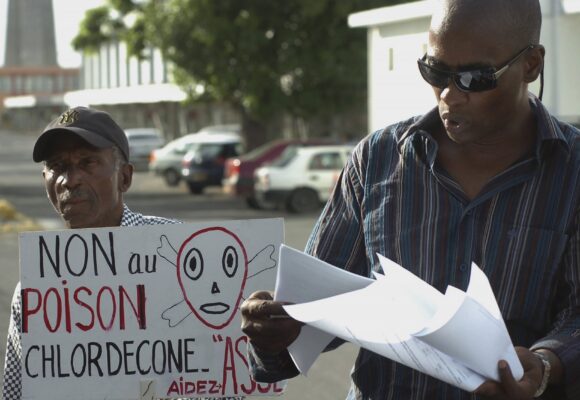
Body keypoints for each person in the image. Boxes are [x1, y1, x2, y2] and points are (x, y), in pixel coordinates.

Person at [240, 0, 580, 399]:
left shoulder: (572, 171)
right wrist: (279, 329)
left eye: (475, 77)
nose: (450, 95)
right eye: (435, 71)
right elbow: (323, 308)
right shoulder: (377, 159)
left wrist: (541, 364)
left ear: (531, 65)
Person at [1, 107, 240, 400]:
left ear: (124, 177)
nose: (69, 179)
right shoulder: (34, 290)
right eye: (57, 165)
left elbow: (227, 380)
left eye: (87, 162)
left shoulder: (183, 257)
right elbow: (16, 392)